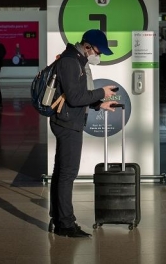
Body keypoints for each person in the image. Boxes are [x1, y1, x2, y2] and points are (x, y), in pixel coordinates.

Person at [49, 29, 118, 238]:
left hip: (69, 120)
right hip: (68, 123)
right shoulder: (71, 61)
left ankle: (58, 218)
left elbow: (78, 95)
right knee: (67, 174)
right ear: (88, 46)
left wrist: (99, 104)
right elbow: (75, 97)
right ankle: (66, 225)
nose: (100, 55)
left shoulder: (77, 59)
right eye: (99, 50)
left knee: (61, 172)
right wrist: (101, 93)